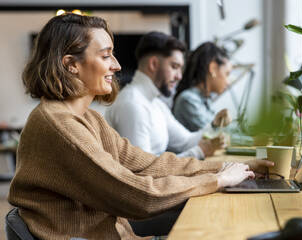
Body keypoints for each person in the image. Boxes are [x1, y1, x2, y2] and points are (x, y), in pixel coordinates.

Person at [8, 13, 273, 240]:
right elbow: (140, 196)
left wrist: (235, 167)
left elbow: (148, 164)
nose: (117, 65)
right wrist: (218, 179)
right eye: (105, 56)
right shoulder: (61, 127)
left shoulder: (87, 118)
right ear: (71, 65)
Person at [105, 32, 229, 159]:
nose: (179, 76)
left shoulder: (156, 104)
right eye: (174, 66)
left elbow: (186, 142)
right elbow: (143, 168)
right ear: (153, 64)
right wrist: (199, 152)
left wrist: (214, 125)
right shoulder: (132, 104)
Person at [173, 42, 233, 132]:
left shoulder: (204, 99)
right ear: (213, 68)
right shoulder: (188, 100)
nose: (228, 82)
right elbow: (215, 134)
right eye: (227, 74)